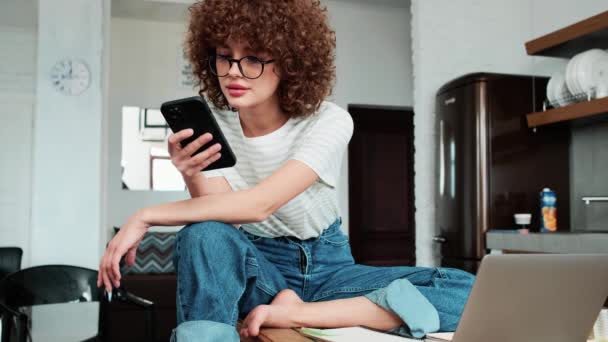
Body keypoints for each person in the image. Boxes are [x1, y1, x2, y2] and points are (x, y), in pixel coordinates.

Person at [97, 0, 475, 341]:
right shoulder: (216, 121)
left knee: (467, 291)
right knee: (203, 234)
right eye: (225, 57)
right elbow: (223, 213)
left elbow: (259, 204)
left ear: (290, 64)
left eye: (254, 58)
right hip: (261, 266)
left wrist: (146, 216)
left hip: (329, 270)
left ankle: (300, 312)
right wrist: (191, 173)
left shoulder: (329, 121)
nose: (234, 72)